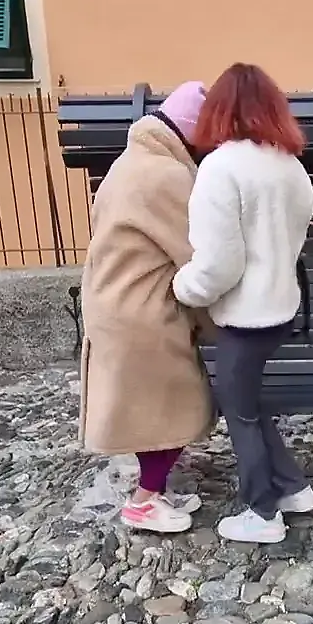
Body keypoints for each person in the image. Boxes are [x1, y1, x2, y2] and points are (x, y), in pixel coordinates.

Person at [172, 63, 313, 545]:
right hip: (280, 309)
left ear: (219, 108)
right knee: (249, 405)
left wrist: (183, 288)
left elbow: (218, 263)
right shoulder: (290, 165)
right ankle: (293, 489)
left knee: (240, 413)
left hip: (243, 317)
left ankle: (262, 513)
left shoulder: (220, 167)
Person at [78, 81, 216, 534]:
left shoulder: (127, 164)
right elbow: (197, 255)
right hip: (144, 309)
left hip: (116, 302)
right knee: (174, 401)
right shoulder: (168, 176)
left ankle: (155, 490)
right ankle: (143, 501)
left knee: (148, 406)